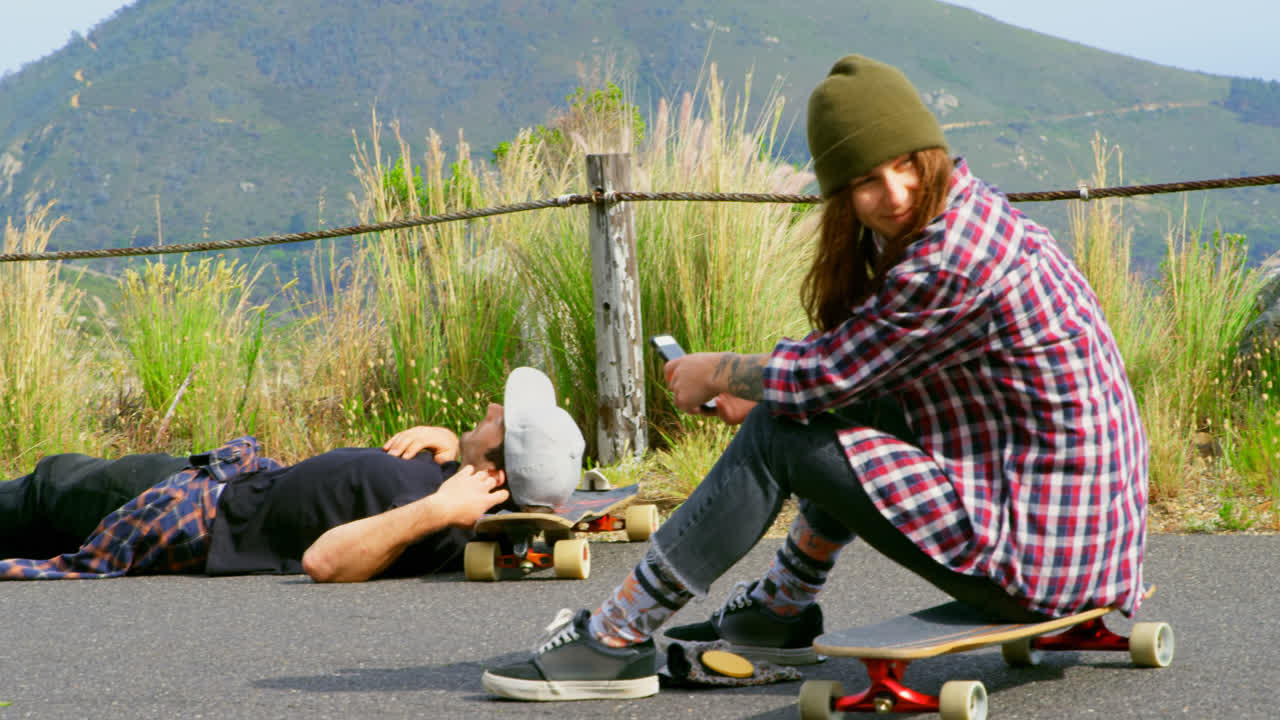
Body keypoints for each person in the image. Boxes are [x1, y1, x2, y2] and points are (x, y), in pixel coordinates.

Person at [481, 53, 1149, 701]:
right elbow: (867, 361)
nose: (894, 194)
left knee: (781, 430)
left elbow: (825, 376)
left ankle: (617, 639)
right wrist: (757, 383)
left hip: (1041, 564)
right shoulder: (969, 216)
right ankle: (777, 614)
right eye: (866, 180)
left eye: (906, 165)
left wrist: (717, 371)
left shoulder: (951, 259)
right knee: (818, 409)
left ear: (931, 154)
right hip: (1081, 550)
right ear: (840, 193)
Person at [1, 366, 586, 582]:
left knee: (46, 491)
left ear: (499, 467)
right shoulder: (462, 491)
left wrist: (436, 507)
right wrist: (456, 453)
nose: (489, 409)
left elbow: (324, 561)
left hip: (198, 509)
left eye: (501, 420)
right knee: (39, 505)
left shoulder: (444, 517)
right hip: (220, 485)